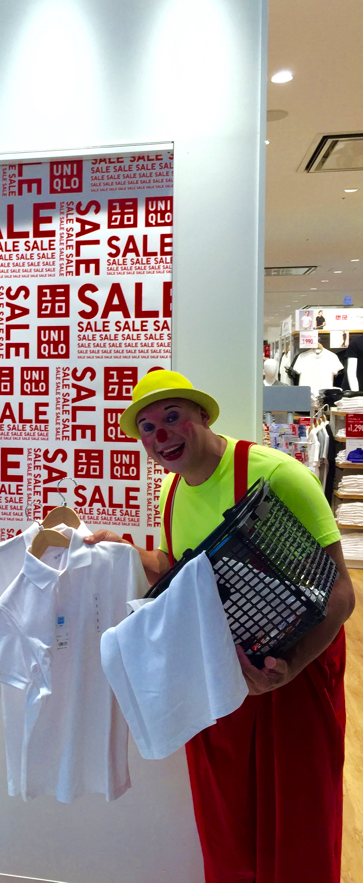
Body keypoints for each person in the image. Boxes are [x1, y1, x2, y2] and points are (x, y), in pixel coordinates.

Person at [86, 369, 354, 883]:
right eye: (148, 427)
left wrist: (292, 667)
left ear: (203, 416)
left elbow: (341, 592)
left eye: (172, 417)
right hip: (218, 669)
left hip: (294, 669)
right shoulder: (170, 491)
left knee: (299, 824)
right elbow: (179, 568)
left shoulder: (277, 474)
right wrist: (128, 552)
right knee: (228, 826)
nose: (161, 435)